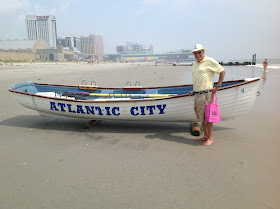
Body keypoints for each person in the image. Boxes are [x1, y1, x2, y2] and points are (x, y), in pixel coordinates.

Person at [190, 44, 226, 146]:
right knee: (202, 117)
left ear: (203, 52)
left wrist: (217, 86)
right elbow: (199, 78)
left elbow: (222, 71)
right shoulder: (194, 64)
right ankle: (205, 136)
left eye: (199, 52)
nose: (197, 54)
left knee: (209, 118)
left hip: (207, 94)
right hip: (198, 94)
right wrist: (194, 90)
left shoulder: (209, 61)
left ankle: (210, 138)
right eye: (195, 53)